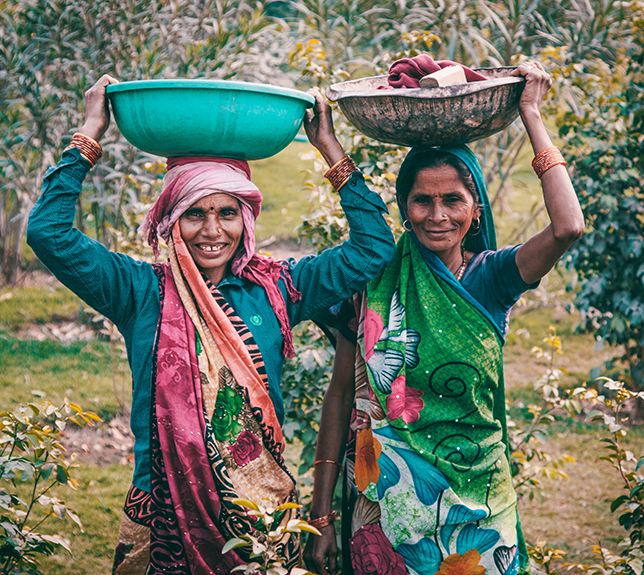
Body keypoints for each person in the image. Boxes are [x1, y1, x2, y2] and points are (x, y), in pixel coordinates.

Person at [26, 75, 396, 574]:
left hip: (260, 518)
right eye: (194, 213)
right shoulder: (139, 291)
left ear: (246, 219)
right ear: (170, 220)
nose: (212, 230)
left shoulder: (278, 288)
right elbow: (48, 233)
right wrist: (90, 132)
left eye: (227, 212)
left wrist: (329, 148)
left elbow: (373, 247)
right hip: (163, 517)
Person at [304, 61, 585, 575]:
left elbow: (567, 226)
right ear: (404, 208)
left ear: (476, 208)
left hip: (479, 501)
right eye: (422, 201)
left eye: (453, 200)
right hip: (387, 506)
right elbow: (341, 393)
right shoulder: (376, 276)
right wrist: (320, 514)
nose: (438, 216)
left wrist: (532, 114)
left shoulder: (493, 277)